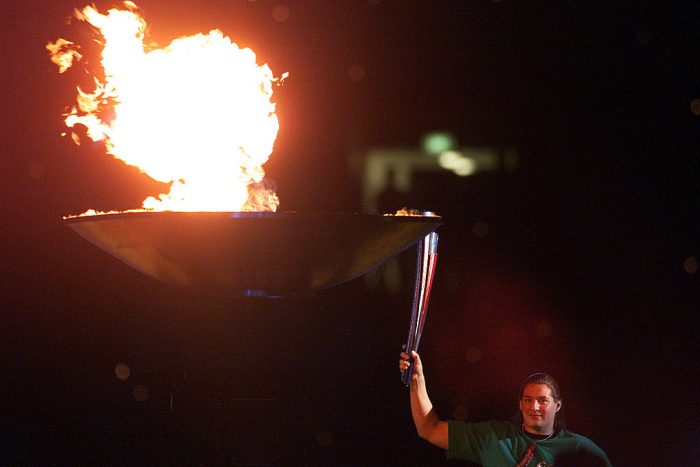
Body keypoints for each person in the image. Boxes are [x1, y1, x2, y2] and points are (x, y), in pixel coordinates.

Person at [399, 350, 612, 466]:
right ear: (520, 404)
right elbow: (430, 429)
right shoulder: (494, 437)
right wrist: (417, 379)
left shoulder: (580, 449)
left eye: (542, 400)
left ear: (558, 405)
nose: (534, 407)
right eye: (527, 400)